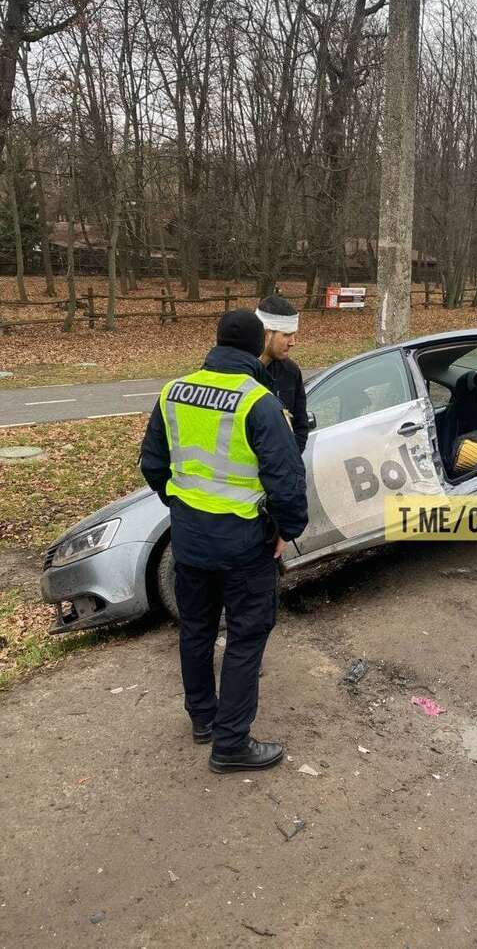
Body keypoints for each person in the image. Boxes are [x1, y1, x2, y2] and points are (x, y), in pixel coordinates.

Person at [139, 310, 308, 774]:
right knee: (245, 637)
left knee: (195, 629)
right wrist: (288, 530)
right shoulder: (258, 401)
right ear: (257, 346)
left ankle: (203, 720)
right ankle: (231, 743)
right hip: (244, 545)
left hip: (189, 539)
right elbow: (287, 479)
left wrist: (181, 505)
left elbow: (152, 463)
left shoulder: (173, 392)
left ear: (216, 343)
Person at [254, 294, 310, 454]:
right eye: (286, 335)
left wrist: (291, 458)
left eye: (294, 334)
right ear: (266, 334)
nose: (293, 342)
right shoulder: (240, 372)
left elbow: (300, 424)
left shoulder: (291, 371)